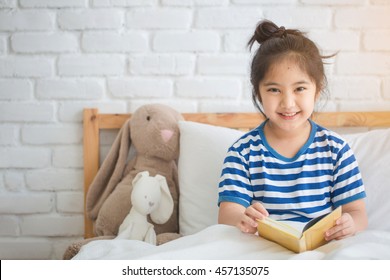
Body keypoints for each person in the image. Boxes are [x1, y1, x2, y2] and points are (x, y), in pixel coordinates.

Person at [218, 20, 368, 242]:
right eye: (274, 90)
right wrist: (243, 218)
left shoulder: (336, 150)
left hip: (320, 249)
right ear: (258, 93)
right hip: (261, 249)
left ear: (317, 91)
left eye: (299, 88)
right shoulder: (242, 152)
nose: (288, 103)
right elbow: (227, 215)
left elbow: (358, 214)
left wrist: (349, 224)